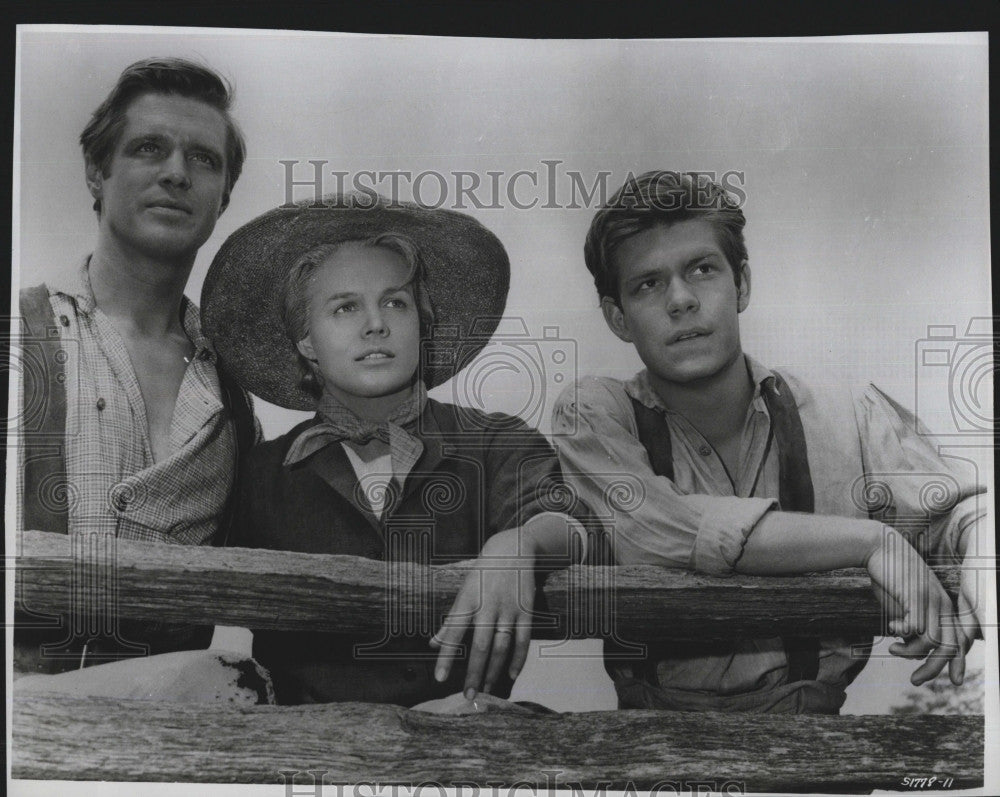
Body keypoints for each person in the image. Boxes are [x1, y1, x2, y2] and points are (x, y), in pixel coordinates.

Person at [552, 170, 986, 713]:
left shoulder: (844, 413)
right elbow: (651, 530)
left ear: (743, 284)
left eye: (702, 270)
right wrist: (872, 542)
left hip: (817, 752)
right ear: (618, 317)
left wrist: (980, 550)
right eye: (648, 283)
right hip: (654, 754)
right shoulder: (594, 414)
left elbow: (962, 513)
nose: (681, 300)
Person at [201, 194, 599, 707]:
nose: (376, 324)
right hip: (310, 761)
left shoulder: (494, 440)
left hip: (471, 753)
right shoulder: (259, 474)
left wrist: (521, 545)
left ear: (422, 323)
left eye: (395, 302)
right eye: (345, 307)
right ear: (305, 341)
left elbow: (577, 525)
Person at [16, 58, 256, 674]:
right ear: (97, 172)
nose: (177, 173)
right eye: (150, 149)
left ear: (222, 197)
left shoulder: (233, 391)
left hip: (165, 741)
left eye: (204, 159)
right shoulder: (17, 338)